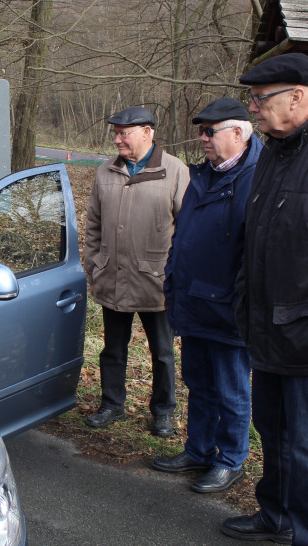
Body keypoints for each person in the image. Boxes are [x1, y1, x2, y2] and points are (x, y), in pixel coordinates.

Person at [152, 98, 263, 494]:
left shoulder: (257, 177)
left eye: (210, 131)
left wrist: (237, 301)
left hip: (228, 310)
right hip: (194, 301)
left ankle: (230, 459)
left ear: (238, 132)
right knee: (198, 383)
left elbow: (255, 253)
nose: (202, 138)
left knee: (231, 389)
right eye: (201, 131)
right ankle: (199, 449)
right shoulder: (204, 175)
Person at [219, 52, 308, 545]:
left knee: (303, 445)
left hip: (303, 334)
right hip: (265, 327)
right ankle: (274, 516)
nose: (253, 109)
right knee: (274, 436)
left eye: (260, 99)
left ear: (298, 97)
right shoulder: (275, 150)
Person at [84, 106, 189, 437]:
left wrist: (177, 275)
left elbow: (187, 229)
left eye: (124, 133)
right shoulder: (106, 172)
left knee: (162, 352)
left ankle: (163, 411)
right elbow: (94, 225)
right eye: (114, 133)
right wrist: (94, 264)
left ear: (148, 132)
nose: (117, 139)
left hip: (157, 280)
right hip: (113, 275)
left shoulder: (174, 171)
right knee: (113, 347)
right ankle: (112, 404)